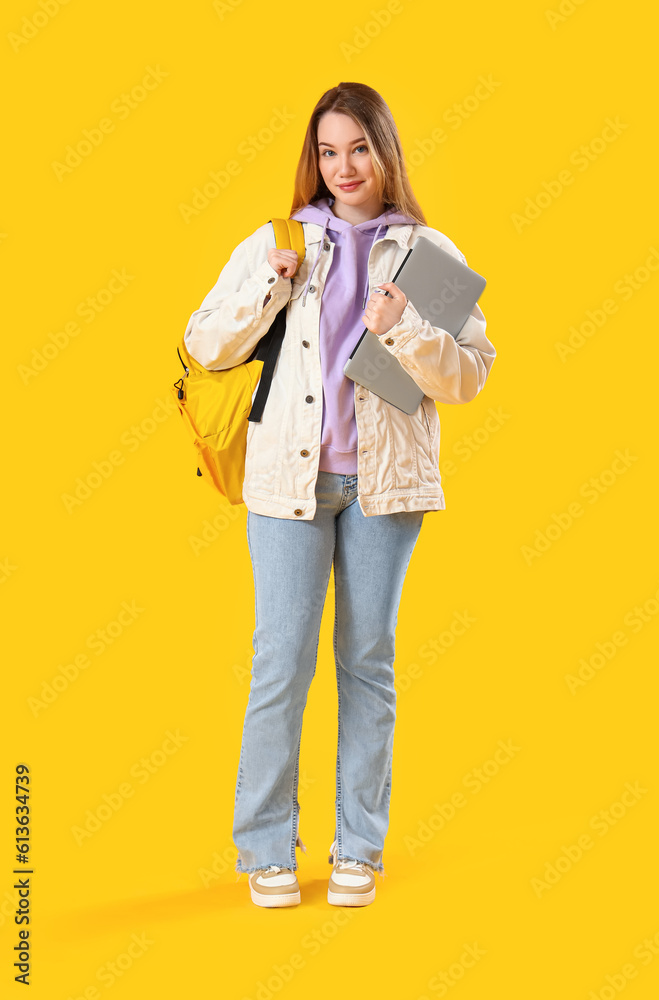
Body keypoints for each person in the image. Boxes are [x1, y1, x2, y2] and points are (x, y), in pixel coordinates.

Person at [183, 81, 496, 908]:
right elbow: (205, 344)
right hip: (287, 483)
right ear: (312, 160)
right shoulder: (279, 240)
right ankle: (264, 849)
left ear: (384, 152)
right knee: (278, 663)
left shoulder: (428, 253)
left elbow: (466, 378)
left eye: (359, 147)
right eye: (328, 150)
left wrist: (405, 327)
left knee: (367, 664)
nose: (344, 166)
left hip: (383, 491)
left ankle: (358, 845)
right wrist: (271, 287)